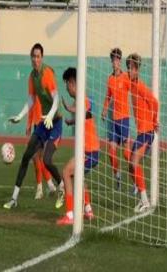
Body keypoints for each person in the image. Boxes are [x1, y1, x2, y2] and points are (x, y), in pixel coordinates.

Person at [4, 43, 64, 210]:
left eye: (38, 57)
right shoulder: (32, 77)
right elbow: (31, 100)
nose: (35, 60)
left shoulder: (47, 73)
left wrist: (50, 115)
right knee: (26, 157)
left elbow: (56, 98)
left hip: (55, 122)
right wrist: (19, 116)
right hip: (44, 123)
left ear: (42, 58)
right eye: (33, 57)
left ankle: (62, 186)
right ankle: (14, 198)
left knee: (47, 160)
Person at [57, 67, 100, 225]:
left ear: (72, 83)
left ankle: (70, 215)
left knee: (66, 172)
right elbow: (85, 116)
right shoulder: (80, 100)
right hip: (89, 151)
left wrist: (69, 108)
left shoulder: (83, 99)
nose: (67, 88)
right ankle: (88, 210)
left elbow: (83, 109)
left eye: (67, 84)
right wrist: (71, 121)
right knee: (77, 176)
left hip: (89, 151)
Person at [126, 53, 158, 213]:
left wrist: (154, 121)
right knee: (130, 167)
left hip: (147, 131)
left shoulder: (140, 86)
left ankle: (145, 201)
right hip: (141, 132)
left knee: (134, 163)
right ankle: (143, 199)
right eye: (128, 67)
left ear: (137, 70)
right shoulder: (131, 84)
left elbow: (155, 102)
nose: (129, 70)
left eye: (132, 68)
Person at [101, 48, 131, 190]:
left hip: (124, 119)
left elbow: (134, 89)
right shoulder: (110, 79)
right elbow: (108, 97)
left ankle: (136, 182)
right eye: (113, 60)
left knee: (126, 154)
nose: (115, 62)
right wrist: (104, 110)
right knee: (111, 152)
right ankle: (117, 175)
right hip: (114, 121)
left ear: (120, 61)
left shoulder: (126, 77)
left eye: (117, 60)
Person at [27, 99, 56, 199]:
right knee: (38, 157)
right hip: (38, 123)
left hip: (43, 123)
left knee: (36, 156)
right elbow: (31, 106)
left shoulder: (45, 91)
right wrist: (29, 124)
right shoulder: (35, 91)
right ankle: (50, 185)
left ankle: (40, 189)